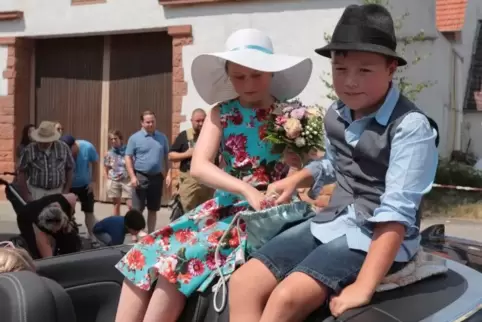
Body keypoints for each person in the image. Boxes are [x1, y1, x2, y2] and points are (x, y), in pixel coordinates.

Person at [228, 5, 440, 321]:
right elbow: (333, 164)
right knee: (242, 282)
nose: (350, 82)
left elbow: (397, 212)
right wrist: (296, 179)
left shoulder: (411, 127)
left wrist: (364, 286)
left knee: (285, 299)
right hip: (333, 219)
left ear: (391, 68)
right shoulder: (336, 113)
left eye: (364, 70)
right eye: (340, 70)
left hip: (378, 236)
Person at [114, 28, 312, 322]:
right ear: (228, 75)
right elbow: (200, 165)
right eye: (239, 76)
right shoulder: (221, 113)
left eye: (256, 75)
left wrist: (292, 175)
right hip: (223, 207)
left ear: (271, 73)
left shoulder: (293, 115)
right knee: (142, 251)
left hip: (266, 215)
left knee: (179, 263)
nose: (248, 83)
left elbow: (317, 167)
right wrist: (245, 190)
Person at [125, 110, 170, 233]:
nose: (151, 124)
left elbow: (167, 156)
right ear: (142, 123)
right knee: (137, 209)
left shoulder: (162, 137)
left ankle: (151, 234)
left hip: (157, 177)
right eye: (148, 122)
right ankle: (134, 235)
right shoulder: (134, 138)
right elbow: (128, 157)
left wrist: (169, 174)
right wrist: (132, 177)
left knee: (153, 209)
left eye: (153, 122)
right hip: (140, 176)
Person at [168, 108, 215, 212]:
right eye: (198, 121)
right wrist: (186, 154)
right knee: (187, 211)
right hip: (190, 180)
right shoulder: (184, 135)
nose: (201, 123)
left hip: (208, 180)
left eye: (203, 120)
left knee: (206, 211)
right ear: (191, 121)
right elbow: (171, 156)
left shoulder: (212, 135)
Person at [17, 121, 75, 201]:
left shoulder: (63, 148)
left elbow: (70, 168)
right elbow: (21, 172)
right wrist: (26, 195)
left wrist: (66, 191)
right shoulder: (29, 149)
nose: (43, 143)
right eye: (41, 140)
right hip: (36, 192)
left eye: (46, 141)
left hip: (57, 191)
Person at [60, 135, 99, 245]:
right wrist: (65, 188)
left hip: (85, 185)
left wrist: (93, 182)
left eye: (70, 150)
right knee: (67, 212)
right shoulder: (63, 151)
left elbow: (95, 163)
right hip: (70, 185)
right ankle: (68, 237)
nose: (69, 153)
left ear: (74, 145)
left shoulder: (87, 147)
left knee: (89, 211)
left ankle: (92, 235)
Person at [17, 193, 80, 259]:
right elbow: (47, 255)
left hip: (51, 212)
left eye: (56, 229)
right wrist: (50, 262)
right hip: (25, 216)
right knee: (36, 248)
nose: (55, 232)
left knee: (68, 236)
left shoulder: (65, 202)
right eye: (53, 230)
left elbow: (73, 196)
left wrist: (71, 215)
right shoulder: (40, 225)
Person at [104, 130, 132, 216]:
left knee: (131, 205)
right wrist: (107, 180)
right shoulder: (109, 153)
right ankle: (117, 222)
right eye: (111, 139)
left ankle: (132, 224)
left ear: (121, 139)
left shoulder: (128, 151)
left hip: (126, 180)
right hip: (114, 180)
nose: (113, 141)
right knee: (116, 205)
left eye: (115, 138)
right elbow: (106, 167)